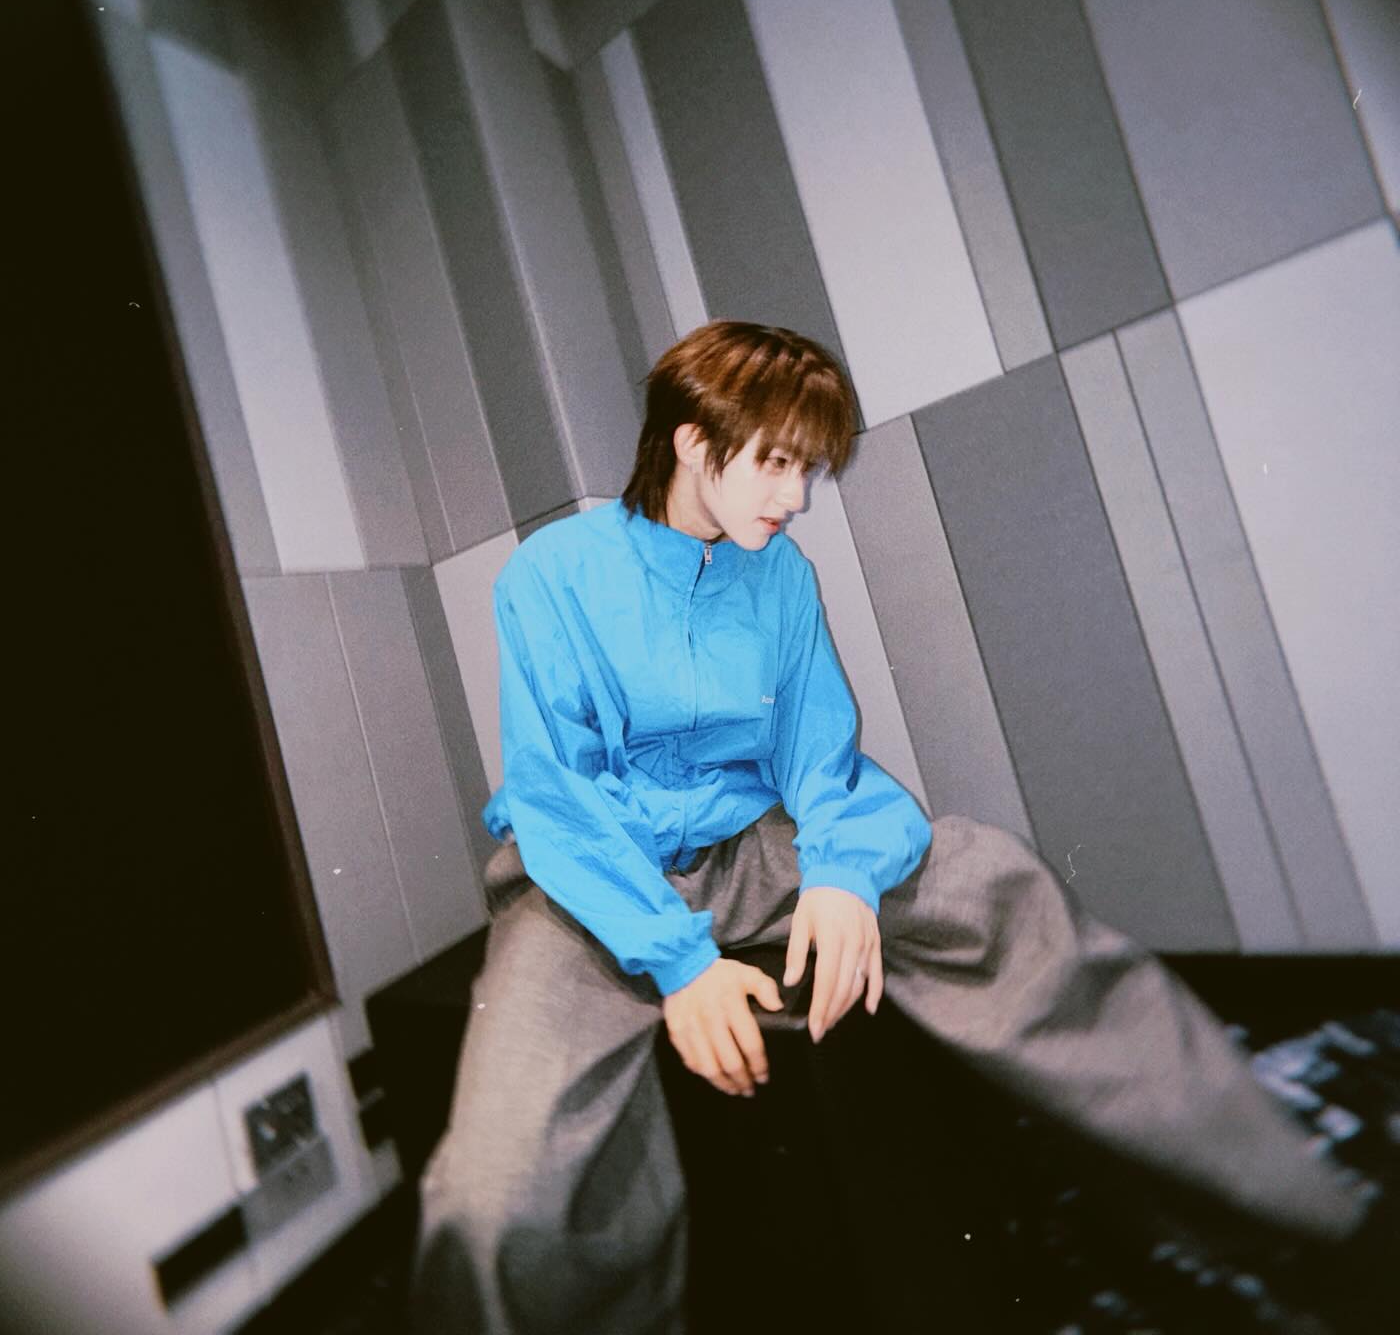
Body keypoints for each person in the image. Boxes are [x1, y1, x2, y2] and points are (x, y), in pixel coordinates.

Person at [411, 320, 1372, 1333]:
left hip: (744, 852)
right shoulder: (552, 573)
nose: (795, 497)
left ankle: (1286, 1188)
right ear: (693, 442)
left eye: (808, 469)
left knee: (987, 878)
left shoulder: (782, 576)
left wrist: (839, 874)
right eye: (777, 464)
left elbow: (818, 754)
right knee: (489, 1201)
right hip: (587, 879)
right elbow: (559, 797)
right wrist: (682, 966)